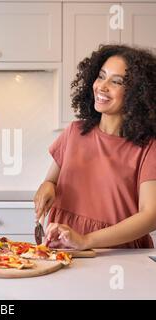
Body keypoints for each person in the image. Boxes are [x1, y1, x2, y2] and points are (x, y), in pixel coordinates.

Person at [34, 44, 156, 250]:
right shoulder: (74, 132)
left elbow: (151, 215)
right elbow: (51, 181)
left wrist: (86, 240)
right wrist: (47, 188)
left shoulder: (147, 147)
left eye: (116, 82)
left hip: (117, 253)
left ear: (138, 93)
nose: (102, 86)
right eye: (101, 76)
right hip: (63, 247)